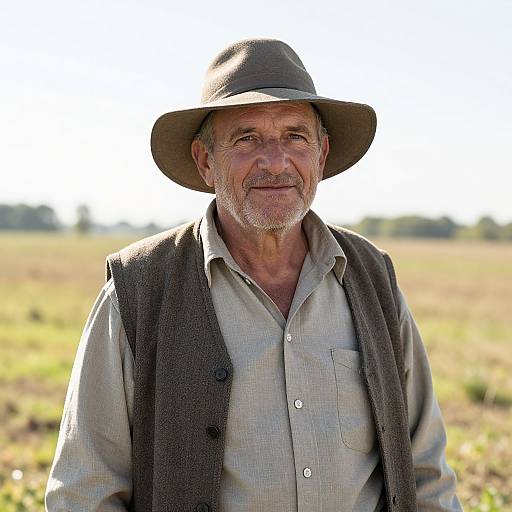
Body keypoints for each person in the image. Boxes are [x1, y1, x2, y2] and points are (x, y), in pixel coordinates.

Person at [46, 38, 462, 511]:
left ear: (321, 154)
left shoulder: (372, 277)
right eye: (247, 138)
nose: (275, 162)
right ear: (206, 162)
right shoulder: (139, 289)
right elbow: (85, 491)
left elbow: (426, 471)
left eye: (295, 136)